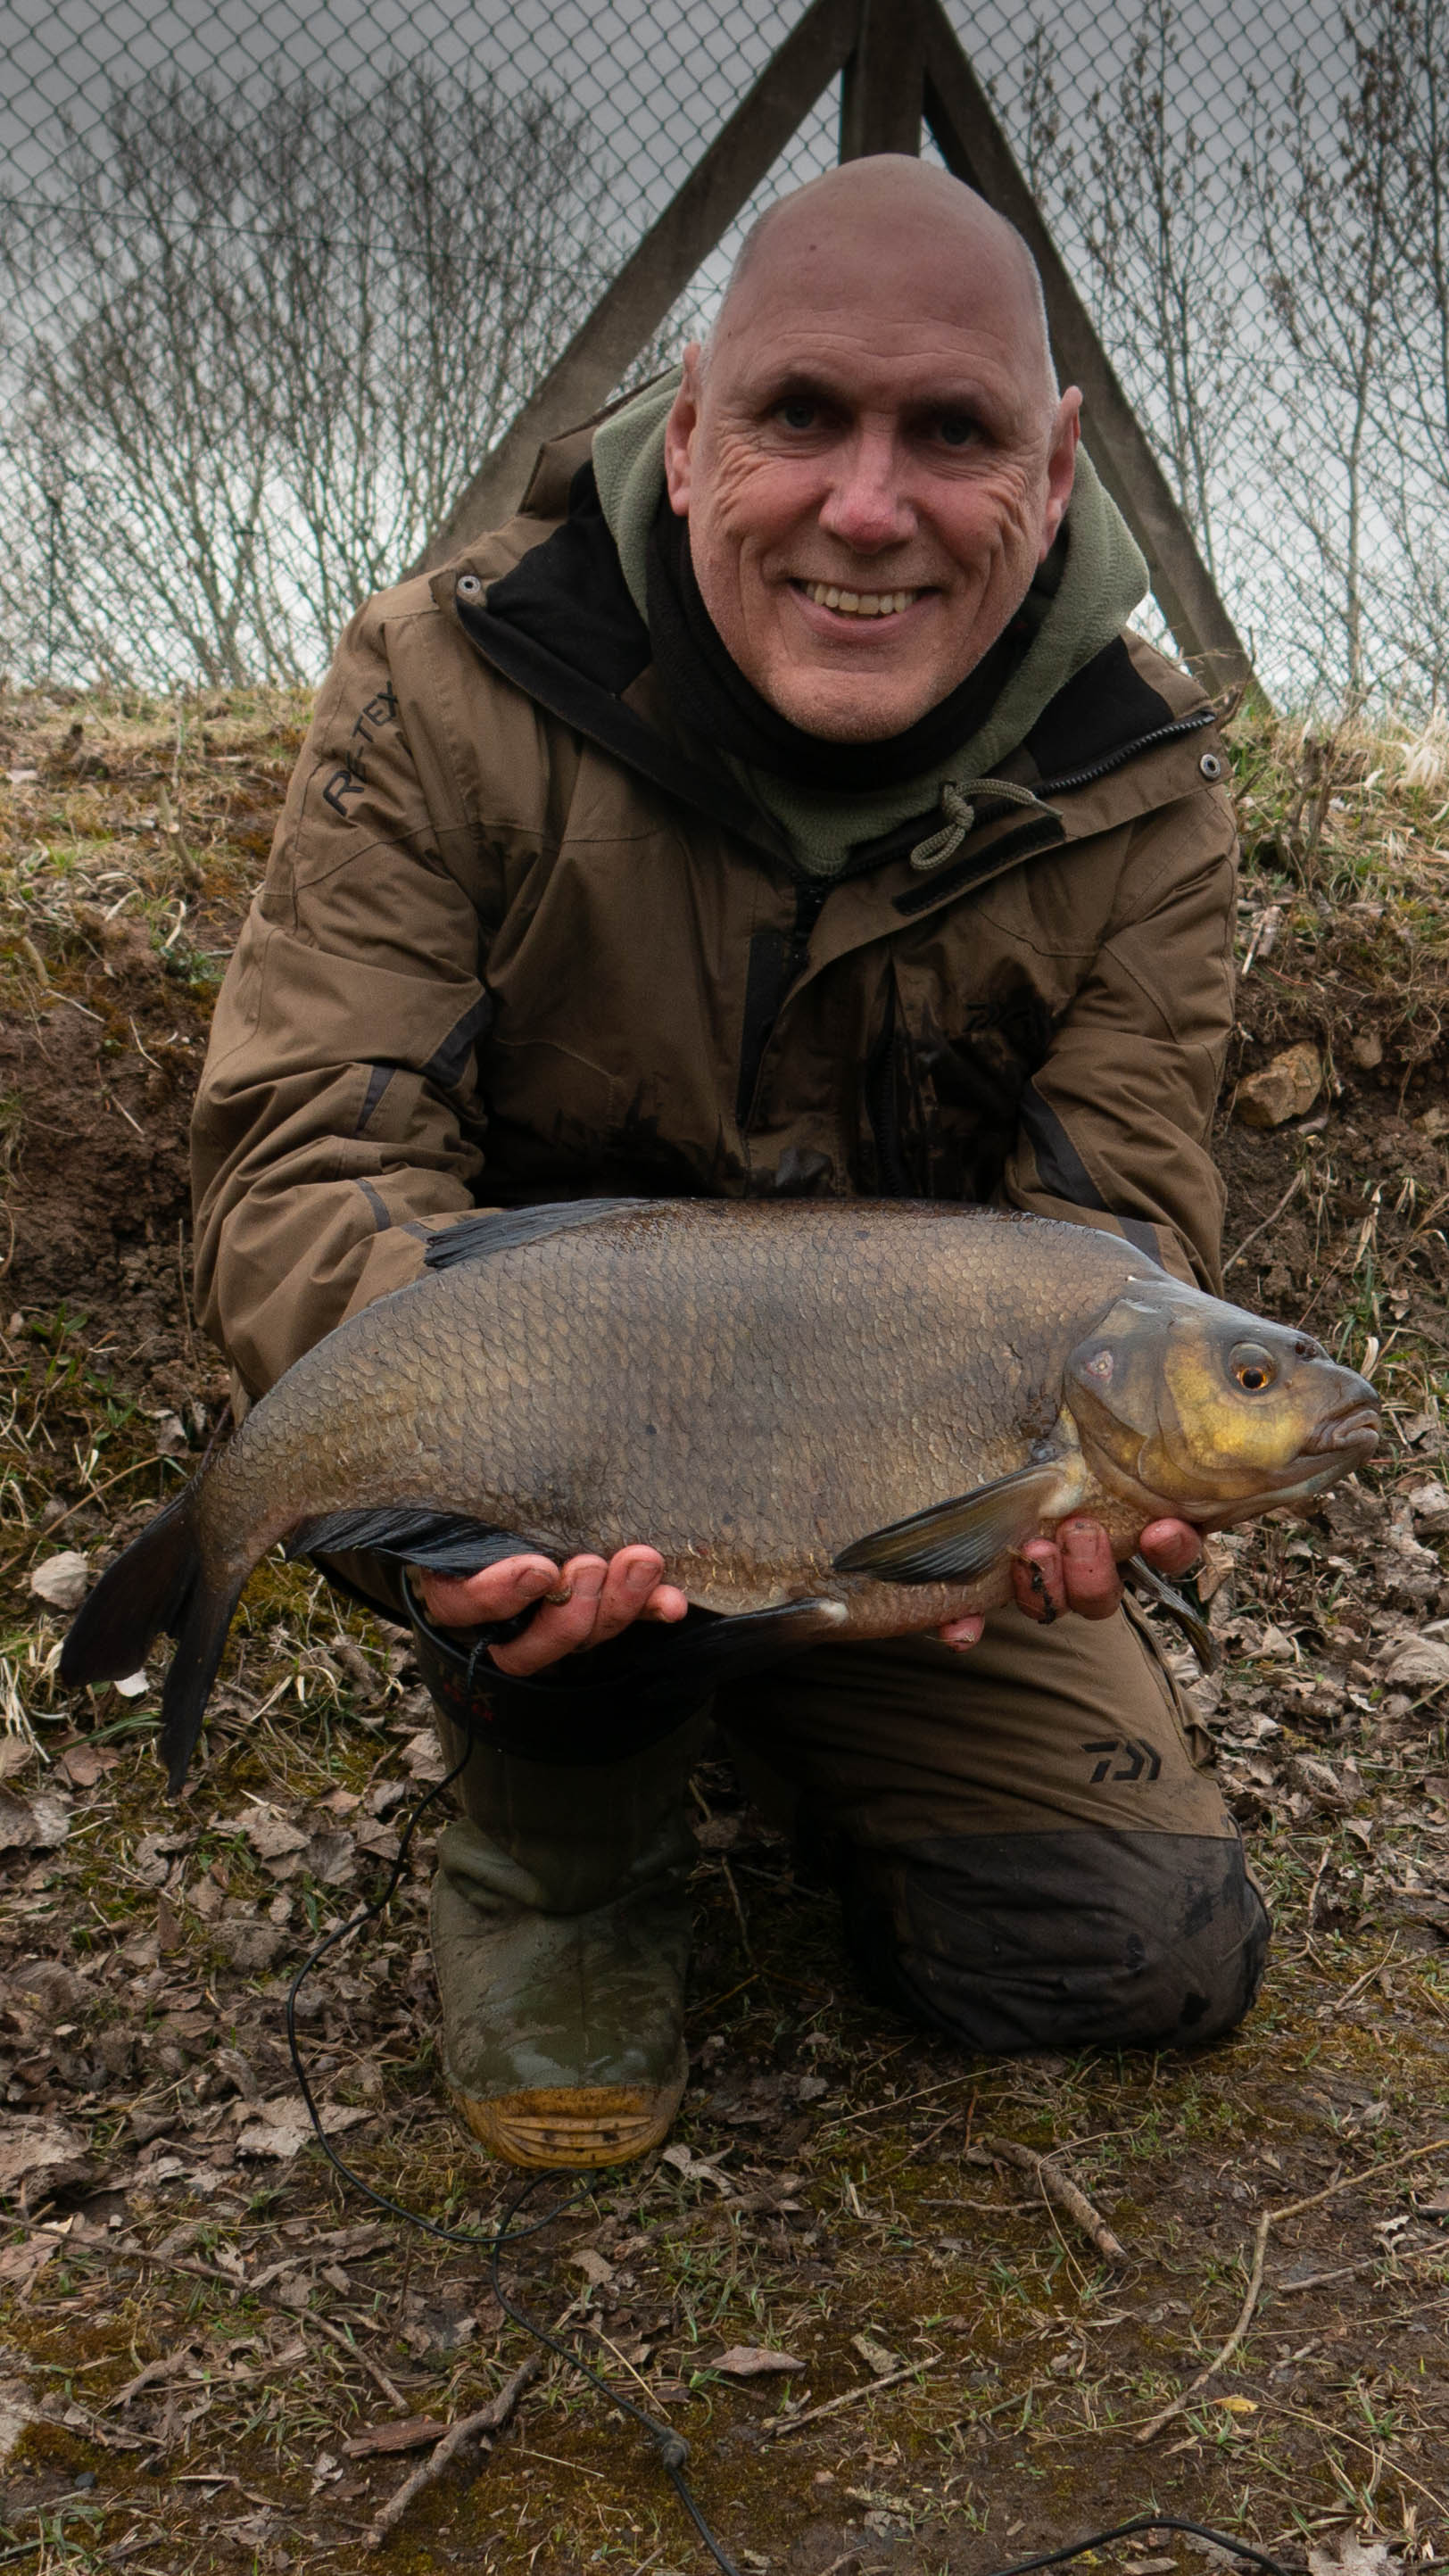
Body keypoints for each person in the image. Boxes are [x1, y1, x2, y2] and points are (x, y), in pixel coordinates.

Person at [191, 157, 1268, 2171]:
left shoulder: (1142, 782)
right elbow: (306, 1146)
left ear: (1050, 466)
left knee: (1138, 1960)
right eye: (800, 416)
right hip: (562, 1467)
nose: (866, 508)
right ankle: (563, 1850)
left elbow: (1112, 1224)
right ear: (687, 436)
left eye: (948, 433)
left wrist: (1082, 1494)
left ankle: (797, 1713)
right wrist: (450, 1427)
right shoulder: (449, 681)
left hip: (920, 1497)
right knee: (566, 1549)